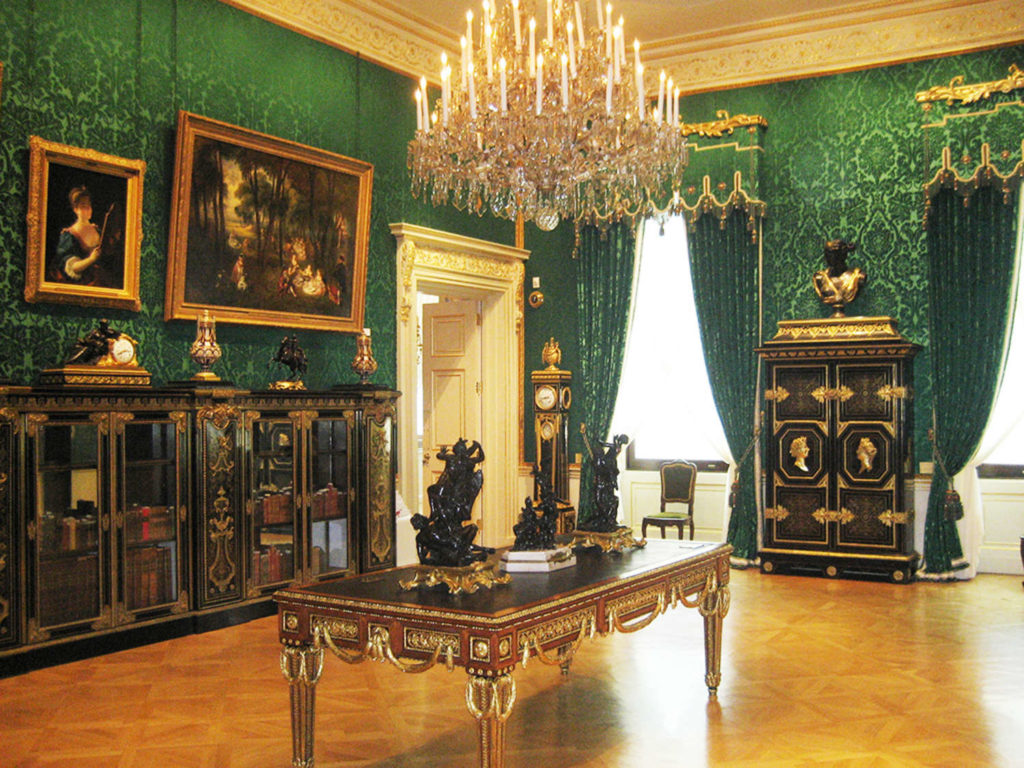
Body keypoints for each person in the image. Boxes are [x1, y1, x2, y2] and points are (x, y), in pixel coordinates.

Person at [56, 187, 109, 283]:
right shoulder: (69, 236)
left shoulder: (97, 230)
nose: (88, 209)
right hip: (85, 283)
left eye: (89, 205)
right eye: (84, 206)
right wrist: (91, 259)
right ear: (75, 209)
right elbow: (73, 268)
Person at [812, 239, 866, 317]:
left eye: (833, 255)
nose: (828, 259)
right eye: (827, 255)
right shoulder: (820, 278)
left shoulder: (857, 276)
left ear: (843, 255)